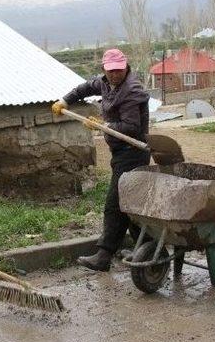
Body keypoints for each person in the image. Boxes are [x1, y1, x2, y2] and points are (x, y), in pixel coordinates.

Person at [52, 49, 150, 271]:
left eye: (119, 69)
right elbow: (86, 87)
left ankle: (104, 256)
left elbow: (132, 127)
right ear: (104, 69)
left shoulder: (132, 90)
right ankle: (144, 248)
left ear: (126, 67)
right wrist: (65, 100)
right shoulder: (105, 83)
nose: (115, 74)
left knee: (114, 205)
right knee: (130, 205)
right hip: (120, 153)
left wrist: (104, 126)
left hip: (133, 153)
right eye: (111, 70)